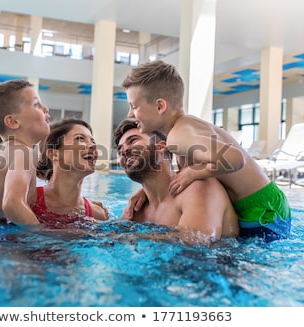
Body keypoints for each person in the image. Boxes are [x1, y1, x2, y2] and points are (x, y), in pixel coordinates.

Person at [121, 60, 291, 242]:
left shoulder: (179, 135)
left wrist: (194, 172)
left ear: (160, 106)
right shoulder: (184, 128)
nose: (130, 114)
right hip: (259, 201)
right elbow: (189, 170)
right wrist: (145, 191)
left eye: (134, 106)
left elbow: (235, 158)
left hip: (262, 208)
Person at [114, 119, 239, 245]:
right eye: (120, 150)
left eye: (133, 140)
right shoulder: (134, 210)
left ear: (161, 146)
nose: (124, 151)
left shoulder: (198, 188)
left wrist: (130, 236)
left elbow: (198, 243)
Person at [0, 79, 50, 226]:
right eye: (36, 104)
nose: (46, 109)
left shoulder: (10, 151)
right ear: (12, 121)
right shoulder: (23, 151)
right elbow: (12, 203)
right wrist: (42, 233)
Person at [34, 118, 109, 228]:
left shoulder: (97, 215)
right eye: (80, 138)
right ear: (54, 154)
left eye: (93, 141)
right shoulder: (29, 201)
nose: (93, 146)